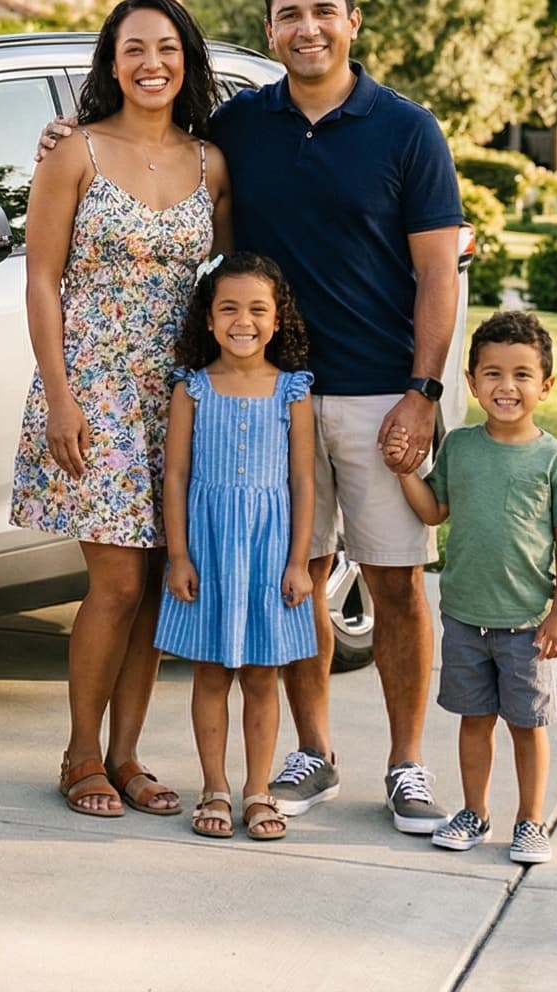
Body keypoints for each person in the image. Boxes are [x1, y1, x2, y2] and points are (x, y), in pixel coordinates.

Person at [40, 0, 463, 835]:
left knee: (394, 585)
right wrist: (55, 142)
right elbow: (140, 187)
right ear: (268, 31)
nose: (306, 28)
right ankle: (305, 752)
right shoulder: (242, 127)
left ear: (352, 20)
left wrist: (424, 391)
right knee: (293, 580)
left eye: (322, 11)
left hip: (379, 391)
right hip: (252, 401)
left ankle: (407, 764)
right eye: (288, 15)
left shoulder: (407, 130)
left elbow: (440, 272)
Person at [15, 0, 231, 819]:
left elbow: (235, 280)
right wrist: (60, 396)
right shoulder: (76, 153)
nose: (152, 64)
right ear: (112, 61)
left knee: (151, 588)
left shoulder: (212, 163)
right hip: (94, 387)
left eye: (168, 49)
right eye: (135, 48)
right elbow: (39, 277)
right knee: (115, 581)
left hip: (175, 394)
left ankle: (129, 755)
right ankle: (79, 754)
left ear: (187, 62)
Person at [397, 309, 557, 865]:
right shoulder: (459, 447)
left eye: (522, 375)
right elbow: (434, 512)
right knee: (473, 721)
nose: (507, 387)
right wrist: (405, 472)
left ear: (545, 386)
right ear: (472, 382)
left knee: (527, 726)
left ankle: (530, 821)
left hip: (527, 624)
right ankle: (474, 812)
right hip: (464, 617)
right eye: (493, 374)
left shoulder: (554, 459)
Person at [155, 253, 318, 842]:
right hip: (207, 545)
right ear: (208, 319)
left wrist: (299, 561)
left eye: (257, 309)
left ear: (278, 320)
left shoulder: (293, 391)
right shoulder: (192, 388)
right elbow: (174, 475)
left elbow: (304, 480)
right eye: (228, 308)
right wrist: (178, 556)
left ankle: (258, 789)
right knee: (209, 672)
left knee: (261, 675)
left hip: (271, 549)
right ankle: (215, 787)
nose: (242, 320)